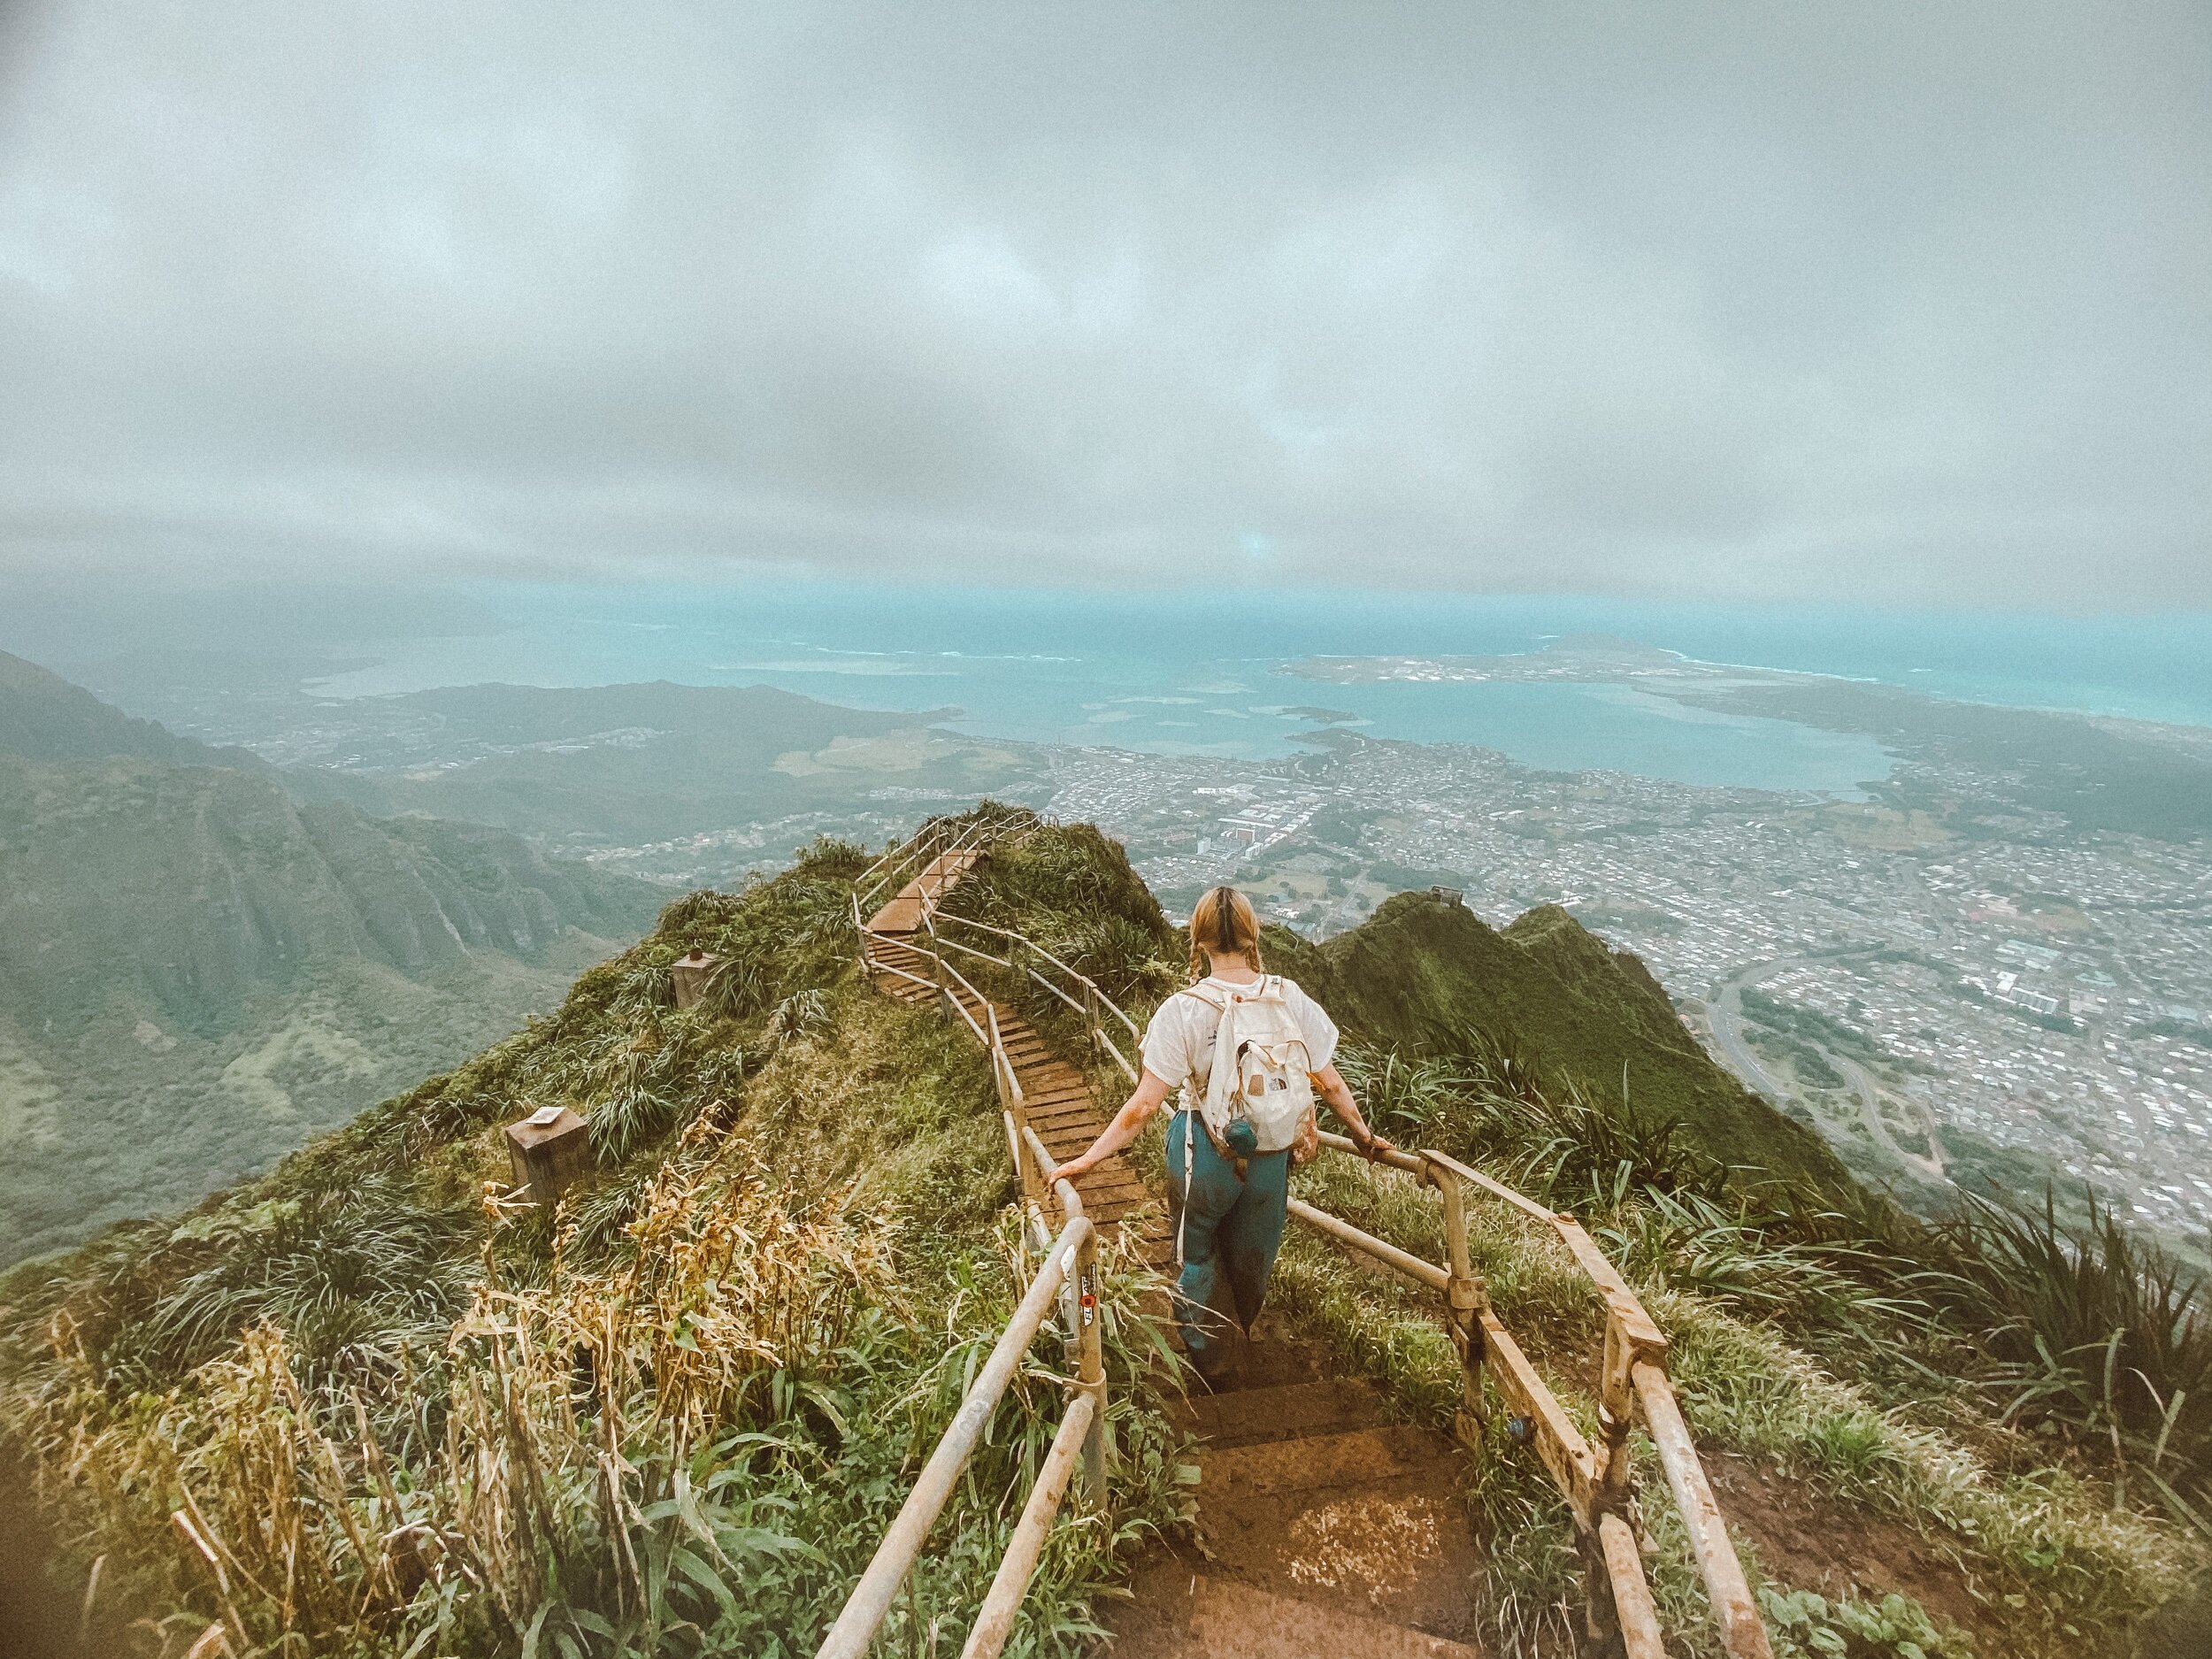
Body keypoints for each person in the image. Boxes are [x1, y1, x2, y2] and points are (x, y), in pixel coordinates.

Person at [1045, 885, 1392, 1379]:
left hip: (1204, 1154)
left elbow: (1143, 1107)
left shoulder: (1184, 1009)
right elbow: (1330, 1082)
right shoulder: (1287, 997)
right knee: (1255, 1254)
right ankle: (1243, 1334)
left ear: (1199, 942)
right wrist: (1362, 1135)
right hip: (1273, 1158)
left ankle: (1210, 1361)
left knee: (1197, 1252)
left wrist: (1086, 1161)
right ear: (1254, 937)